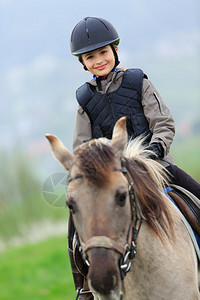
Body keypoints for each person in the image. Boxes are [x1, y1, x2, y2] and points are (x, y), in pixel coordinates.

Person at [68, 17, 200, 299]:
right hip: (110, 177)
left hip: (154, 166)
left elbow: (163, 123)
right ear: (83, 62)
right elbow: (82, 145)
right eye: (90, 57)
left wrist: (152, 153)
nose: (98, 60)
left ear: (115, 50)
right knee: (75, 224)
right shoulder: (84, 100)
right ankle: (84, 287)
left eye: (103, 52)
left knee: (196, 196)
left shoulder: (137, 81)